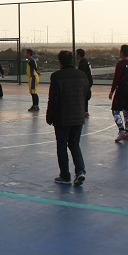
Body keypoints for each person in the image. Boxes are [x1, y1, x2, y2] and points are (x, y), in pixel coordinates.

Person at [46, 50, 90, 186]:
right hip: (78, 117)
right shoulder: (82, 75)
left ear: (59, 62)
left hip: (62, 118)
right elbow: (87, 95)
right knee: (74, 144)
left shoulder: (56, 76)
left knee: (62, 146)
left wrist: (49, 116)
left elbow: (53, 100)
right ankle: (80, 171)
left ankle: (65, 175)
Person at [109, 44, 128, 143]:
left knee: (115, 111)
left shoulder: (120, 64)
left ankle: (121, 131)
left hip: (122, 89)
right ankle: (127, 132)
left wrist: (112, 91)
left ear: (121, 52)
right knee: (126, 111)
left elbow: (116, 79)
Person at [76, 49, 93, 117]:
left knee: (83, 97)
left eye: (77, 54)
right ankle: (85, 111)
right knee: (85, 97)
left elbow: (82, 74)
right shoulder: (86, 61)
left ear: (79, 55)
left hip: (85, 83)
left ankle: (83, 111)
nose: (76, 56)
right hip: (88, 82)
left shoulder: (82, 63)